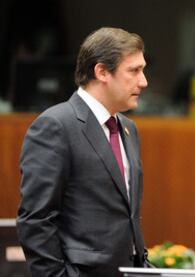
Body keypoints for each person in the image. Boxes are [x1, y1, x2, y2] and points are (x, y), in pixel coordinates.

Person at [17, 27, 149, 277]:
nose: (144, 81)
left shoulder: (128, 128)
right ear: (102, 72)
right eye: (134, 71)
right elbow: (36, 220)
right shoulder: (56, 125)